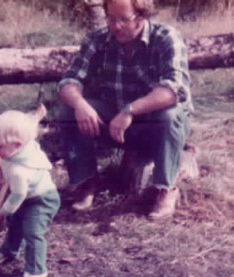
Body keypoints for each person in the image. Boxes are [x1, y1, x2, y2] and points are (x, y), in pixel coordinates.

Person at [59, 0, 193, 220]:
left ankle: (165, 189)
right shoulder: (97, 40)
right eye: (110, 18)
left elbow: (174, 90)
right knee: (68, 112)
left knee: (171, 114)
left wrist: (130, 110)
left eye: (123, 19)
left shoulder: (166, 37)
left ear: (142, 17)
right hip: (115, 123)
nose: (115, 26)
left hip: (154, 123)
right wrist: (80, 104)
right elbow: (68, 81)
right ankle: (87, 182)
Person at [0, 105, 60, 277]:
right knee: (16, 224)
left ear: (18, 145)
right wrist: (37, 115)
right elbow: (29, 124)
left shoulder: (20, 170)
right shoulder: (19, 145)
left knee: (32, 232)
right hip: (26, 195)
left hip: (42, 200)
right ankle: (9, 252)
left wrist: (3, 212)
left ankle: (36, 269)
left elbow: (18, 196)